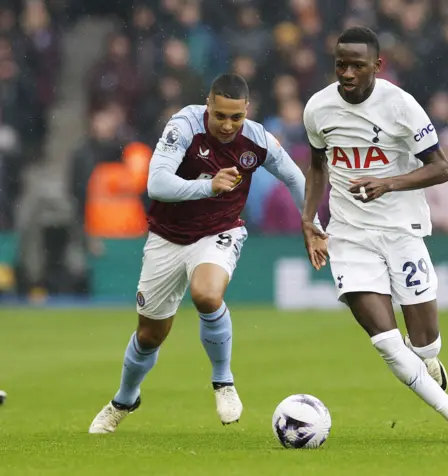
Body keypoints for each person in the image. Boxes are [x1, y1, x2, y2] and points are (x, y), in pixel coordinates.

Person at [89, 74, 322, 434]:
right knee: (150, 335)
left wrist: (311, 222)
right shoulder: (183, 125)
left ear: (247, 110)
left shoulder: (258, 140)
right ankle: (125, 399)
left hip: (220, 231)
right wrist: (208, 186)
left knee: (206, 294)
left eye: (236, 117)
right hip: (167, 237)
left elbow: (295, 178)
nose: (228, 125)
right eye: (220, 116)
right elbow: (157, 184)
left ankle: (223, 381)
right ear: (208, 106)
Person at [301, 27, 448, 444]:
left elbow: (441, 168)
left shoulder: (402, 107)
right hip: (348, 234)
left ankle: (428, 362)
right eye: (340, 64)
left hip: (401, 230)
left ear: (377, 67)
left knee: (425, 344)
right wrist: (309, 220)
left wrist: (388, 182)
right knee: (385, 341)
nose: (346, 73)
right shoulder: (318, 109)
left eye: (356, 66)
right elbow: (317, 167)